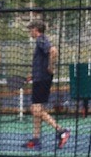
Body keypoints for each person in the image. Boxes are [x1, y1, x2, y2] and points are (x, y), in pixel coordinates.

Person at [24, 20, 69, 149]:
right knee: (38, 110)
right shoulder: (41, 41)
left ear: (35, 29)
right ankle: (36, 139)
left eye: (30, 29)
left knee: (35, 109)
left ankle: (61, 131)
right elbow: (44, 58)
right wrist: (34, 74)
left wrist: (50, 66)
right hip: (40, 79)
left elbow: (53, 51)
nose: (29, 32)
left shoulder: (40, 39)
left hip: (42, 80)